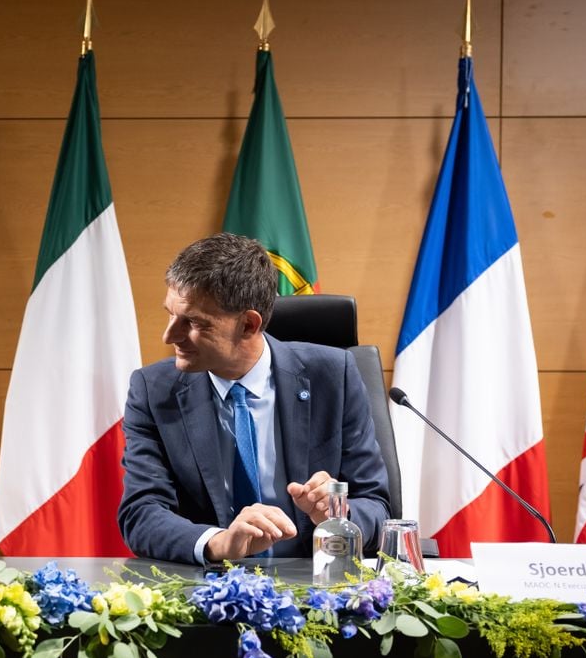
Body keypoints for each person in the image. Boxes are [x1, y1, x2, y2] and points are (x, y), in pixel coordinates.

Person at [118, 232, 390, 564]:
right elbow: (141, 513)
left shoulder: (334, 376)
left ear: (248, 324)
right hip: (210, 588)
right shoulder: (152, 389)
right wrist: (219, 543)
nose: (169, 335)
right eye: (170, 314)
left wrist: (336, 515)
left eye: (192, 322)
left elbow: (377, 507)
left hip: (317, 582)